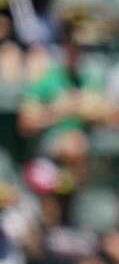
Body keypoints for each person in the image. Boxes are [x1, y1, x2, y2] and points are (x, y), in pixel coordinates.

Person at [18, 19, 107, 184]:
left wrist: (84, 109)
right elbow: (26, 123)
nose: (77, 52)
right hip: (48, 149)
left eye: (82, 48)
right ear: (65, 46)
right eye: (73, 46)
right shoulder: (46, 80)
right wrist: (61, 110)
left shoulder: (90, 80)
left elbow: (104, 115)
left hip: (82, 149)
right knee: (73, 145)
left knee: (77, 144)